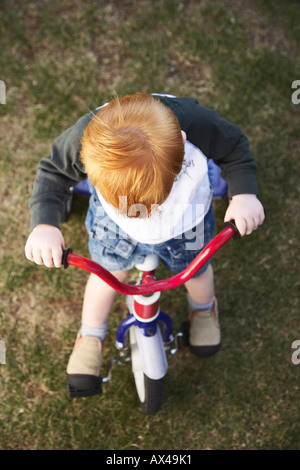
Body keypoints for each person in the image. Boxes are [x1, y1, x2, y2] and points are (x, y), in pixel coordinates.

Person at [25, 92, 265, 397]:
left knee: (197, 269)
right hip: (114, 225)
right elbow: (53, 173)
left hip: (187, 217)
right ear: (87, 163)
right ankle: (90, 334)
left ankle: (203, 310)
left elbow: (233, 147)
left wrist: (244, 194)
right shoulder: (84, 139)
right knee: (106, 275)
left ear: (181, 141)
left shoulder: (195, 122)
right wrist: (45, 224)